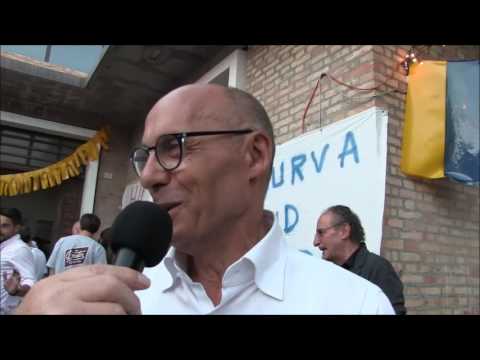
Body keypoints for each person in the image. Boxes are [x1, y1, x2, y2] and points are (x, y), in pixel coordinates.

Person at [16, 84, 394, 315]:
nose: (148, 176)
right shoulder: (113, 297)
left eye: (173, 146)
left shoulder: (356, 304)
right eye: (144, 155)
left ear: (254, 156)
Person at [313, 205, 407, 315]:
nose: (315, 242)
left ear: (344, 231)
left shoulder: (379, 269)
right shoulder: (329, 272)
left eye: (321, 233)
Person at [0, 208, 36, 315]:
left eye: (5, 225)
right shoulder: (4, 247)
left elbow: (30, 281)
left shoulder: (19, 249)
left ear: (17, 228)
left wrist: (17, 290)